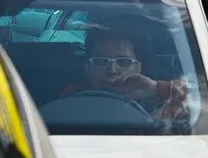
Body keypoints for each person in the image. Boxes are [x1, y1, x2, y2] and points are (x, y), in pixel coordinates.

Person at [60, 28, 190, 123]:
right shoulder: (70, 99)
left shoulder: (162, 106)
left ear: (138, 68)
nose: (112, 70)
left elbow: (204, 104)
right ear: (88, 69)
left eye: (123, 62)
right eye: (100, 61)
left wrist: (156, 88)